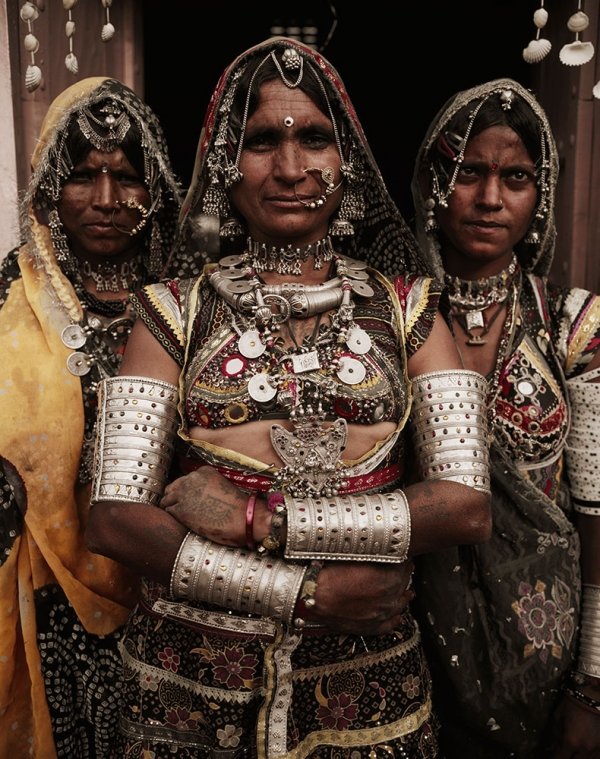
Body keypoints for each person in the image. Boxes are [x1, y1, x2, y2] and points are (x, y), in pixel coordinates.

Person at [85, 38, 492, 758]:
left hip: (368, 691)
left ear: (348, 163)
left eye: (314, 138)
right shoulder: (171, 310)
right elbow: (114, 521)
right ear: (223, 166)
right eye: (261, 141)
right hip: (186, 695)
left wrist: (260, 521)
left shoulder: (407, 308)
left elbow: (465, 505)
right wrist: (306, 594)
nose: (292, 166)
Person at [0, 77, 194, 757]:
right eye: (83, 175)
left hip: (177, 589)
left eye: (128, 177)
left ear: (158, 188)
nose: (108, 199)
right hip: (46, 595)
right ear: (49, 186)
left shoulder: (190, 301)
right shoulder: (8, 299)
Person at [410, 78, 600, 758]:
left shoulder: (575, 329)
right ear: (435, 183)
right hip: (407, 658)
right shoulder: (386, 320)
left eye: (515, 177)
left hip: (544, 669)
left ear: (539, 195)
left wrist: (592, 685)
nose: (490, 198)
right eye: (468, 173)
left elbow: (597, 517)